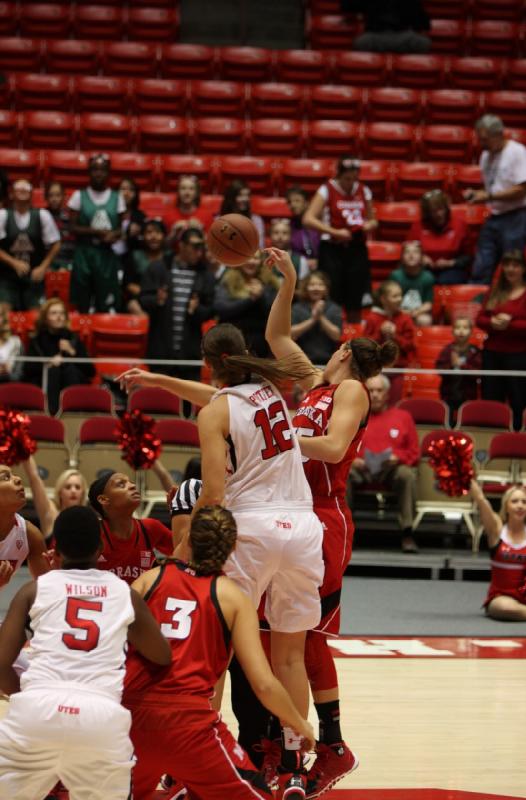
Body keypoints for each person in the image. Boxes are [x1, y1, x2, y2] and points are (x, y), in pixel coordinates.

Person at [120, 322, 325, 798]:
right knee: (290, 655)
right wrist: (156, 380)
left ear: (209, 363)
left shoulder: (214, 413)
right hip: (301, 526)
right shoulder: (270, 387)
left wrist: (182, 553)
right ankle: (294, 763)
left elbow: (213, 490)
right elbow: (216, 397)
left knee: (217, 647)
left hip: (251, 526)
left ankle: (197, 755)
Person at [264, 247, 398, 798]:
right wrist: (289, 280)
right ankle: (310, 743)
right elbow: (276, 339)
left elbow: (335, 445)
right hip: (292, 517)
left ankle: (331, 745)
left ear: (345, 349)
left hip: (324, 519)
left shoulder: (350, 390)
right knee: (288, 635)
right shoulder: (316, 382)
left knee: (306, 636)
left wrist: (274, 439)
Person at [124, 505, 315, 800]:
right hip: (191, 724)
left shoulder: (148, 581)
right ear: (234, 547)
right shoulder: (233, 598)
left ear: (188, 537)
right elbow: (263, 684)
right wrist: (299, 723)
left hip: (133, 717)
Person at [0, 505, 171, 800]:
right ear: (101, 546)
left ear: (57, 548)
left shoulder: (35, 589)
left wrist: (26, 693)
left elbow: (1, 663)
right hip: (100, 714)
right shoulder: (122, 592)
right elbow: (162, 655)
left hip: (36, 710)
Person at [348, 373, 420, 553]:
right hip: (361, 468)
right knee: (343, 473)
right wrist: (352, 459)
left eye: (379, 390)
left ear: (387, 393)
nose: (375, 394)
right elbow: (341, 447)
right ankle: (346, 533)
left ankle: (407, 533)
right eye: (371, 390)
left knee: (406, 475)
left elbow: (414, 453)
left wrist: (397, 458)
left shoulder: (403, 417)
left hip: (390, 469)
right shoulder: (354, 416)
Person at [303, 156, 377, 322]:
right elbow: (308, 219)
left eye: (354, 178)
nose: (350, 182)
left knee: (355, 298)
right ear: (339, 175)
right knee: (332, 296)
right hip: (332, 248)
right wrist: (334, 231)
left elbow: (373, 220)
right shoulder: (326, 189)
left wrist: (366, 226)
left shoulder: (364, 190)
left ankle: (354, 337)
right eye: (346, 178)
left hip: (357, 248)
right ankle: (333, 333)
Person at [464, 115, 526, 285]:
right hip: (496, 215)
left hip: (517, 216)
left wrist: (488, 196)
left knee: (512, 266)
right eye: (480, 139)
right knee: (482, 262)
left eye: (485, 139)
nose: (482, 143)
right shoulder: (486, 156)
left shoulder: (517, 152)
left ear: (498, 134)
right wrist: (477, 194)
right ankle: (479, 301)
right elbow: (494, 187)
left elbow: (521, 190)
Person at [140, 226, 215, 380]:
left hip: (189, 352)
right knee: (159, 399)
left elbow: (210, 309)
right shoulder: (158, 268)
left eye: (201, 247)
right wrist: (157, 301)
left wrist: (197, 309)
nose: (199, 252)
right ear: (181, 245)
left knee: (189, 401)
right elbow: (143, 299)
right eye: (194, 247)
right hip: (160, 350)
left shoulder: (205, 275)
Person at [475, 250, 526, 430]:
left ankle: (519, 440)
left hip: (521, 356)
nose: (510, 269)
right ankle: (492, 437)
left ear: (523, 268)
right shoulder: (495, 290)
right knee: (491, 399)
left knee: (519, 401)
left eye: (515, 265)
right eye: (507, 265)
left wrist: (510, 324)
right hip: (492, 355)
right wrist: (492, 322)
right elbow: (479, 319)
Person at [88, 470, 173, 584]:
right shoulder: (92, 534)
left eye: (131, 483)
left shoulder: (150, 527)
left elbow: (185, 552)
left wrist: (177, 512)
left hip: (141, 601)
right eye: (121, 484)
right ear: (103, 499)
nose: (133, 486)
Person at [68, 153, 125, 312]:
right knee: (82, 302)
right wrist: (96, 232)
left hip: (106, 254)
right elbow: (72, 227)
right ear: (89, 172)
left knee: (106, 302)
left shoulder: (117, 197)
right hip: (84, 253)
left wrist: (113, 235)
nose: (98, 173)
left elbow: (120, 229)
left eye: (102, 170)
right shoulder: (78, 196)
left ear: (108, 173)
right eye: (94, 169)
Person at [470, 480, 526, 621]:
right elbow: (481, 500)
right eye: (515, 501)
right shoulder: (497, 530)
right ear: (506, 506)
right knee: (506, 608)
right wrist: (464, 473)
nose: (520, 506)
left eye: (524, 502)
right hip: (502, 599)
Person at [23, 298, 95, 416]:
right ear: (45, 318)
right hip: (45, 384)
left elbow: (91, 371)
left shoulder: (73, 338)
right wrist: (49, 363)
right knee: (53, 371)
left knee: (69, 369)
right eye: (54, 313)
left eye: (62, 313)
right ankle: (51, 416)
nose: (59, 317)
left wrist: (72, 352)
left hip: (71, 382)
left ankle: (72, 414)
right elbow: (28, 369)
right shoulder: (37, 340)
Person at [0, 179, 61, 311]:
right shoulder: (3, 215)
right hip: (7, 277)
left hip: (34, 277)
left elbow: (56, 244)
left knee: (36, 318)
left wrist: (43, 267)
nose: (22, 191)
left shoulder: (42, 215)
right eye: (19, 189)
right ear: (11, 194)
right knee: (3, 315)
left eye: (26, 189)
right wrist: (13, 262)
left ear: (32, 193)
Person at [213, 250, 280, 357]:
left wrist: (261, 296)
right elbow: (220, 308)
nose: (251, 262)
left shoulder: (270, 282)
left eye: (255, 258)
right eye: (247, 258)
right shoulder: (228, 279)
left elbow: (276, 313)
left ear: (261, 261)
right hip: (231, 343)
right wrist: (250, 300)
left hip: (261, 346)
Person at [364, 280, 417, 404]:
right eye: (395, 296)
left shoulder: (405, 318)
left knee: (395, 405)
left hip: (398, 370)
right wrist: (379, 333)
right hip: (376, 369)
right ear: (383, 299)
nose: (399, 299)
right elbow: (365, 346)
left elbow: (411, 346)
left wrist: (395, 335)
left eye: (400, 295)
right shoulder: (373, 318)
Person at [0, 463, 49, 591]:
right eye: (5, 477)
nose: (18, 479)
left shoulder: (30, 534)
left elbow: (46, 591)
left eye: (14, 475)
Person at [408, 190, 472, 285]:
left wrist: (451, 263)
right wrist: (421, 258)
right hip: (424, 269)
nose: (439, 214)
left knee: (448, 280)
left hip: (452, 270)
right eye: (433, 211)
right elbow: (408, 251)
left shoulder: (459, 225)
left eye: (441, 209)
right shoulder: (417, 227)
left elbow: (469, 256)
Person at [22, 459, 88, 542]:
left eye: (77, 487)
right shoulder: (51, 515)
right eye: (68, 487)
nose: (73, 491)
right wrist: (24, 450)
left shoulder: (90, 520)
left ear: (83, 493)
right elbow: (34, 477)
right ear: (60, 492)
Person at [290, 271, 342, 365]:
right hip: (302, 360)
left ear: (326, 288)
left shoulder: (334, 308)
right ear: (306, 288)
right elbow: (291, 334)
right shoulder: (297, 308)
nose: (316, 288)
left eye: (320, 285)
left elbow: (337, 336)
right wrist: (312, 320)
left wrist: (320, 316)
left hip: (328, 361)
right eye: (312, 285)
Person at [123, 217, 171, 316]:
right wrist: (150, 295)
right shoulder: (134, 256)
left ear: (163, 236)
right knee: (133, 305)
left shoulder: (170, 257)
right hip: (140, 300)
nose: (153, 237)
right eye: (149, 233)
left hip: (166, 300)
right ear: (143, 236)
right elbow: (129, 284)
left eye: (157, 233)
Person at [435, 317, 482, 418]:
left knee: (467, 420)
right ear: (452, 331)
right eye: (457, 327)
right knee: (448, 420)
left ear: (471, 332)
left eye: (465, 328)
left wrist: (462, 365)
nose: (461, 331)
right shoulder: (447, 350)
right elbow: (439, 369)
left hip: (468, 394)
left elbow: (478, 372)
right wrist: (451, 365)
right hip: (448, 394)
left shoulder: (475, 351)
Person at [346, 0, 431, 53]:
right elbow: (424, 24)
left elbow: (423, 23)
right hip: (376, 36)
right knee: (360, 43)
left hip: (400, 36)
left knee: (423, 43)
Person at [390, 240, 434, 327]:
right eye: (407, 252)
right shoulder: (395, 276)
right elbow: (391, 300)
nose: (411, 255)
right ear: (402, 257)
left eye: (415, 252)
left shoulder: (428, 277)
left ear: (422, 257)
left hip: (419, 312)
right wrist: (403, 312)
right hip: (399, 311)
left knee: (425, 320)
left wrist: (416, 312)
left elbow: (428, 303)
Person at [166, 174, 214, 243]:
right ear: (178, 192)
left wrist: (199, 231)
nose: (187, 192)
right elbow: (163, 247)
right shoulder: (168, 216)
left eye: (191, 189)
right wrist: (173, 234)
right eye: (183, 188)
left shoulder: (207, 216)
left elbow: (212, 246)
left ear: (197, 193)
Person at [219, 180, 265, 249]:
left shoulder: (256, 220)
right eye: (240, 195)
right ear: (231, 197)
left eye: (247, 195)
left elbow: (259, 247)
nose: (245, 199)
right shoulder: (219, 220)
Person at [112, 177, 146, 264]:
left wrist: (138, 234)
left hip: (129, 260)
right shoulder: (109, 212)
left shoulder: (140, 216)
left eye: (131, 190)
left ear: (136, 194)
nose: (126, 193)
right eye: (123, 189)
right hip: (108, 256)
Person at [286, 186, 320, 269]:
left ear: (306, 203)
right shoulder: (289, 226)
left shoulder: (319, 223)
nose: (293, 205)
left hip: (321, 265)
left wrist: (318, 260)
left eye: (297, 201)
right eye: (289, 202)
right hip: (298, 266)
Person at [45, 181, 76, 273]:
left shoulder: (71, 217)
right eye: (51, 195)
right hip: (46, 261)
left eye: (58, 195)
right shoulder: (41, 216)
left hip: (67, 260)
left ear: (64, 197)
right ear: (46, 198)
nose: (54, 199)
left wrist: (66, 266)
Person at [0, 303, 23, 382]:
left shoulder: (15, 342)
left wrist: (7, 372)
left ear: (4, 318)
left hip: (8, 385)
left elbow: (18, 375)